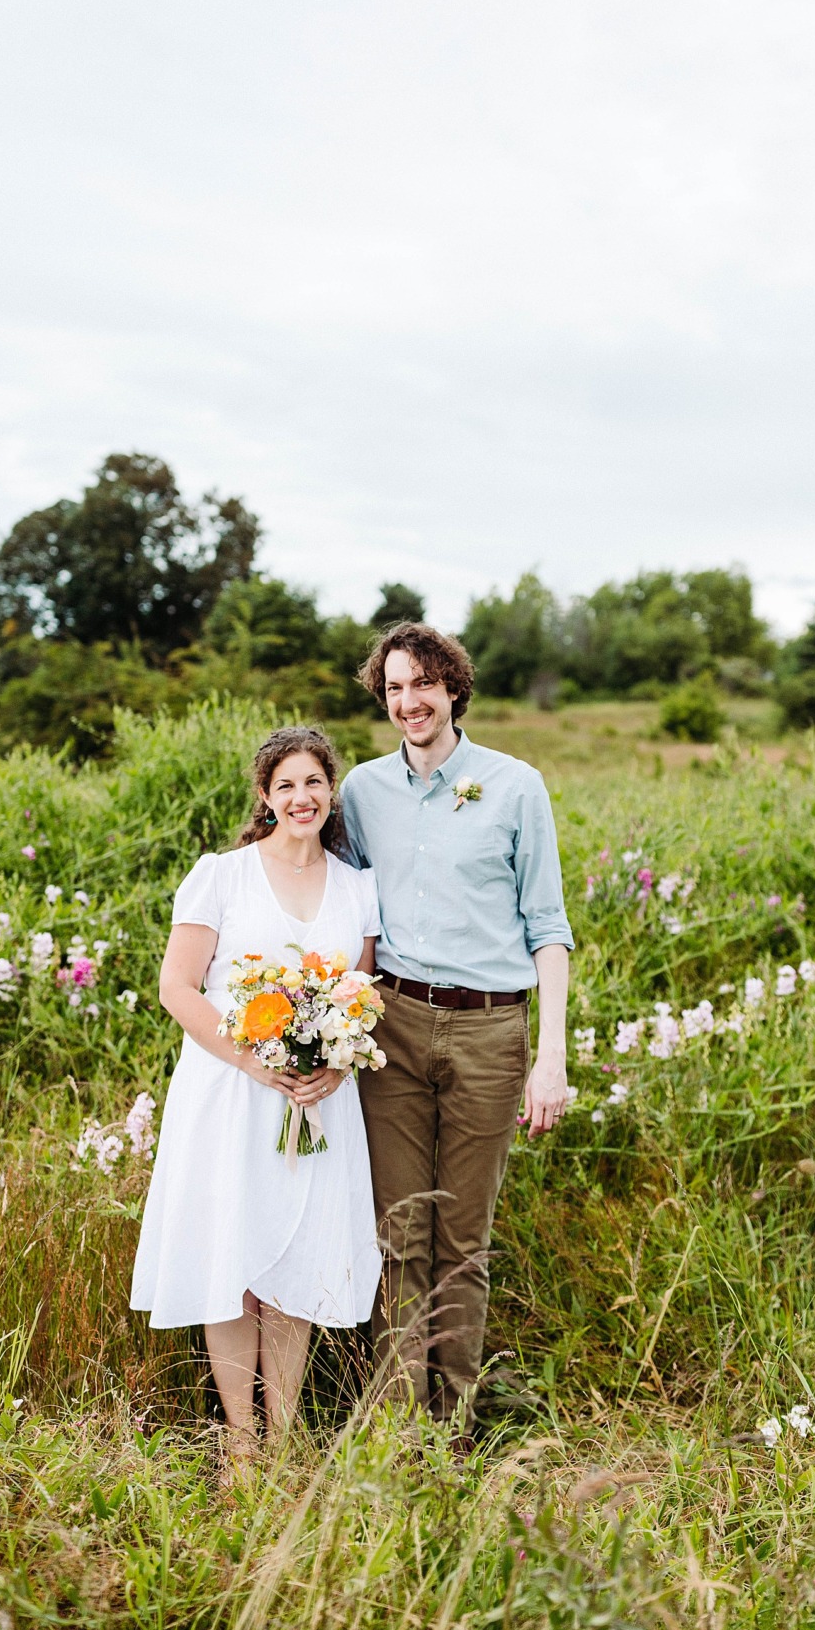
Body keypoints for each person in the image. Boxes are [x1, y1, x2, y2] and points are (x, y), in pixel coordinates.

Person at [339, 623, 573, 1425]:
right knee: (399, 1235)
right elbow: (339, 902)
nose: (410, 702)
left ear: (454, 689)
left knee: (461, 1242)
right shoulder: (362, 792)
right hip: (393, 1026)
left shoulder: (515, 786)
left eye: (424, 685)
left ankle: (455, 1425)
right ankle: (398, 1429)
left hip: (489, 1033)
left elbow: (549, 928)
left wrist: (552, 1058)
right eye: (395, 688)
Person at [130, 725, 382, 1466]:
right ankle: (241, 1447)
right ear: (264, 798)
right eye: (286, 786)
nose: (301, 798)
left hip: (317, 1100)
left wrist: (335, 1065)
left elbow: (360, 995)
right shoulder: (222, 875)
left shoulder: (356, 885)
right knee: (232, 1261)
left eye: (313, 783)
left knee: (297, 1262)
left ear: (330, 791)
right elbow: (177, 986)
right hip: (232, 1095)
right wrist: (253, 1061)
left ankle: (284, 1439)